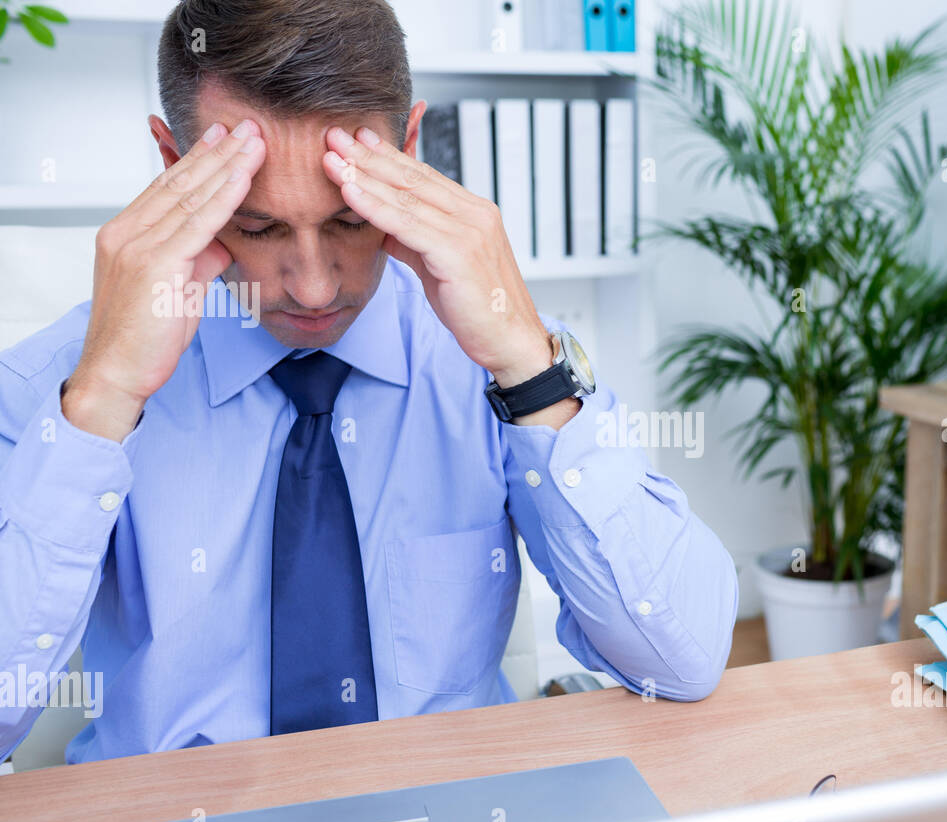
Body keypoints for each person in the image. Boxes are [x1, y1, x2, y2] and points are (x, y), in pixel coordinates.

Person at [0, 0, 738, 765]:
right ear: (171, 165)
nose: (314, 288)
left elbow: (682, 660)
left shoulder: (488, 352)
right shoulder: (68, 382)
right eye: (258, 227)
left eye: (350, 220)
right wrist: (104, 401)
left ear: (410, 148)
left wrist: (527, 364)